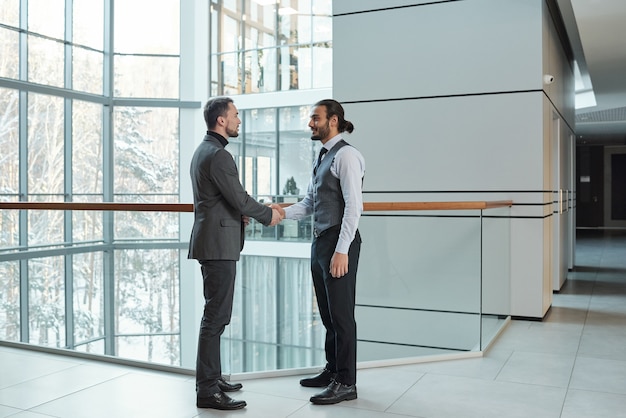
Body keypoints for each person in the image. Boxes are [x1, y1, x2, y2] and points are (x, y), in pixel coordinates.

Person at [188, 96, 282, 410]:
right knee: (215, 317)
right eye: (236, 116)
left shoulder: (205, 151)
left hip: (213, 240)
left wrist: (239, 213)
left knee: (216, 315)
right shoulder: (218, 156)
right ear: (222, 121)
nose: (239, 121)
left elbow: (220, 200)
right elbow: (239, 198)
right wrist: (268, 214)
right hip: (217, 245)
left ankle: (212, 379)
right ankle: (207, 390)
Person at [273, 99, 365, 405]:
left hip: (339, 242)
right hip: (321, 242)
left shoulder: (347, 155)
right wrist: (281, 213)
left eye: (315, 118)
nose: (310, 123)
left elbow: (354, 207)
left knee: (341, 315)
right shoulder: (323, 155)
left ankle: (346, 382)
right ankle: (332, 370)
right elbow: (310, 203)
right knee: (327, 314)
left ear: (334, 120)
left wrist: (343, 250)